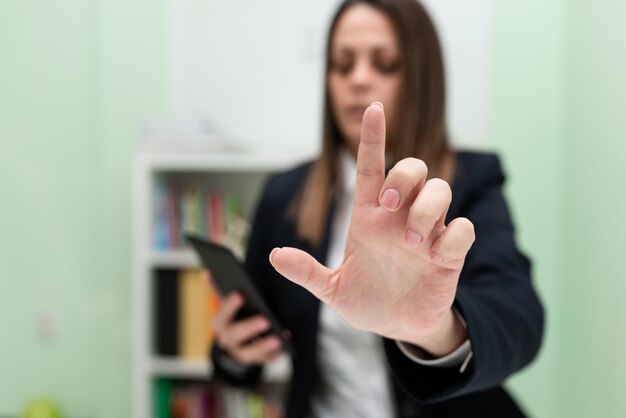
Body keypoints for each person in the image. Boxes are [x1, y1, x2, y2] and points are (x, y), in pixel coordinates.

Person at [209, 0, 544, 417]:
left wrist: (434, 330)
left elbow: (521, 323)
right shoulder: (284, 195)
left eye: (384, 64)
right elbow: (249, 354)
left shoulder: (472, 182)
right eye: (342, 64)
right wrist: (232, 351)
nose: (359, 79)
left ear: (421, 78)